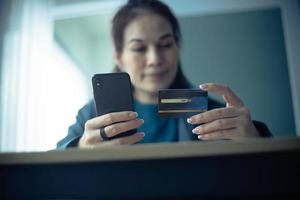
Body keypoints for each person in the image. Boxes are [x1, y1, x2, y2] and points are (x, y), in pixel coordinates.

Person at [57, 0, 271, 149]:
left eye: (166, 44)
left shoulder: (206, 111)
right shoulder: (92, 115)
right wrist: (80, 148)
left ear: (178, 47)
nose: (154, 59)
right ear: (119, 57)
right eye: (139, 48)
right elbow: (53, 169)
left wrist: (254, 138)